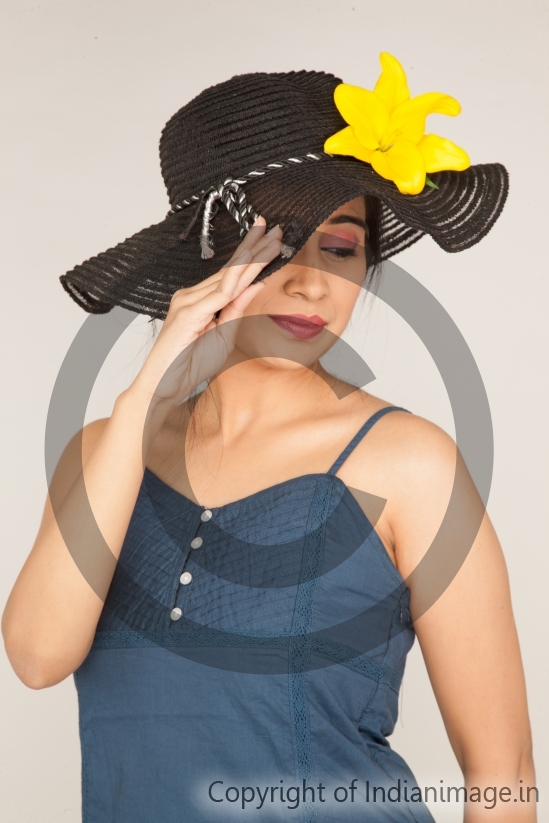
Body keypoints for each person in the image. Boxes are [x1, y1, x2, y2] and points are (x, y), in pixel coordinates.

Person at [2, 56, 536, 822]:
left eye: (342, 248)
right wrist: (146, 388)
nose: (312, 282)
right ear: (204, 259)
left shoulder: (412, 465)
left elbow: (503, 771)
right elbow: (35, 656)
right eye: (278, 243)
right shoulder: (104, 451)